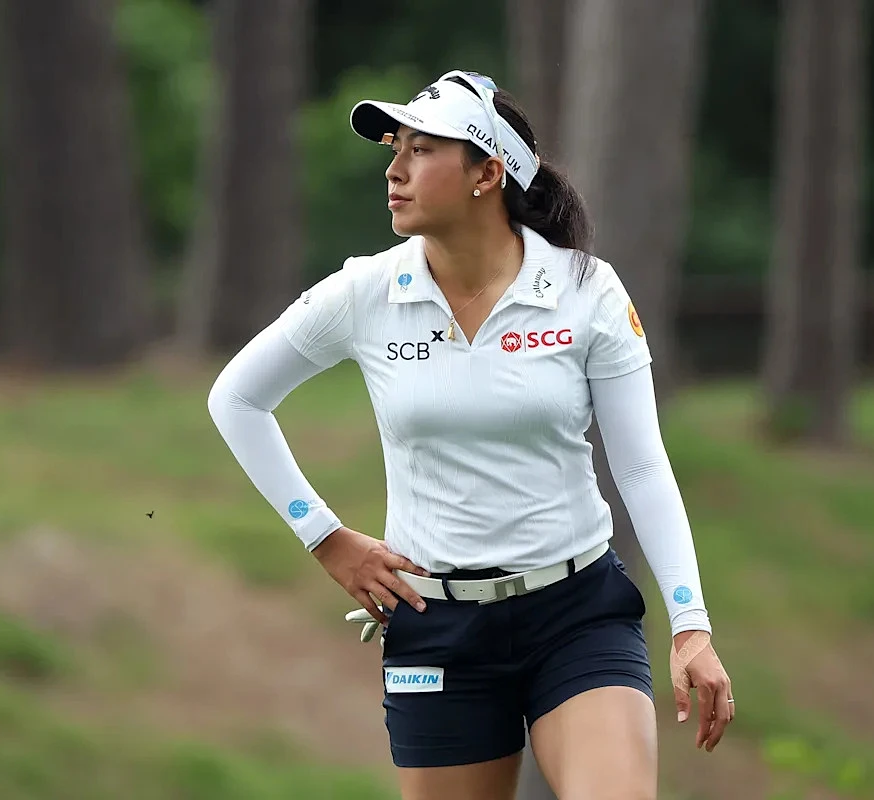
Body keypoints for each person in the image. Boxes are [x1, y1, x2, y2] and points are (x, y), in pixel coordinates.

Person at [207, 69, 734, 800]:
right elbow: (236, 398)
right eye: (395, 148)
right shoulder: (366, 291)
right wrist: (324, 536)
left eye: (422, 150)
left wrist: (690, 623)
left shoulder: (587, 289)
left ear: (488, 173)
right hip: (436, 627)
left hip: (576, 614)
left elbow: (642, 468)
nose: (395, 170)